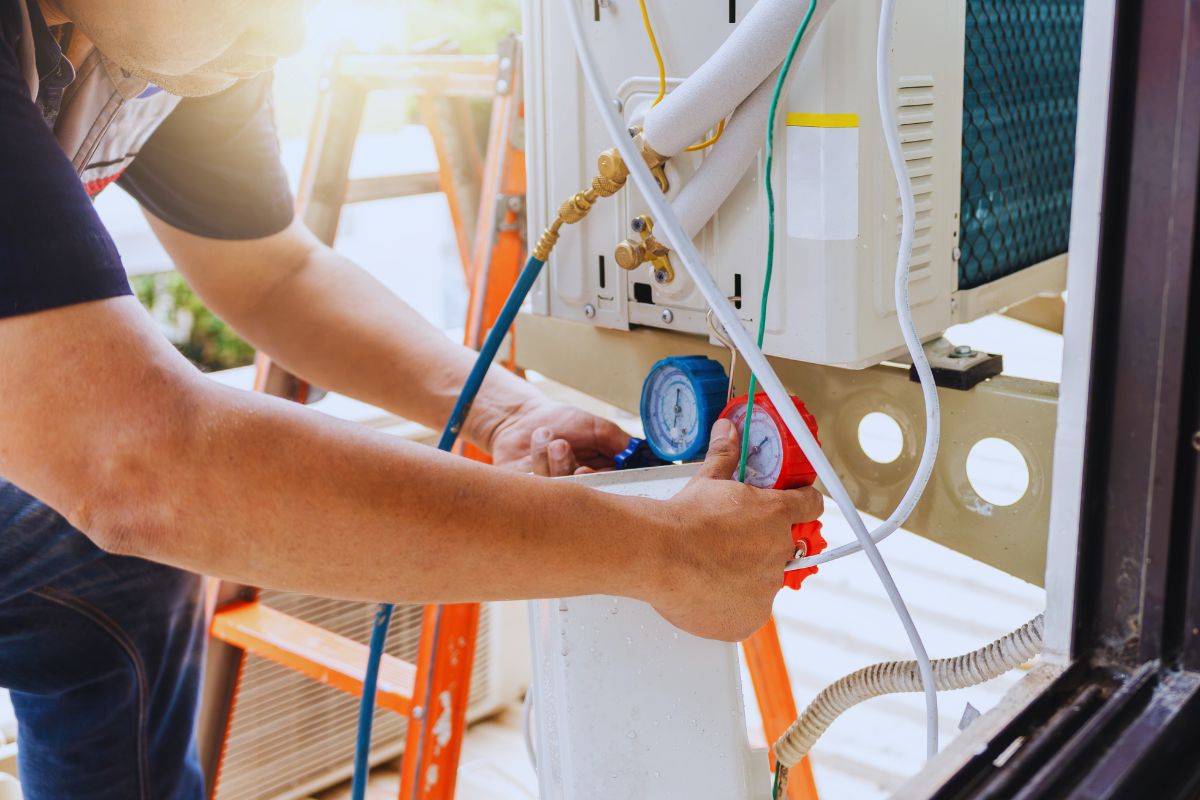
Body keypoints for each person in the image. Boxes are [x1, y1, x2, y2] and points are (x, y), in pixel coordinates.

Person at [0, 0, 823, 797]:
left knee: (108, 568)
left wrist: (507, 413)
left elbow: (270, 273)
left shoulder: (180, 40)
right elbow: (137, 458)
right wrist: (660, 553)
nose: (290, 31)